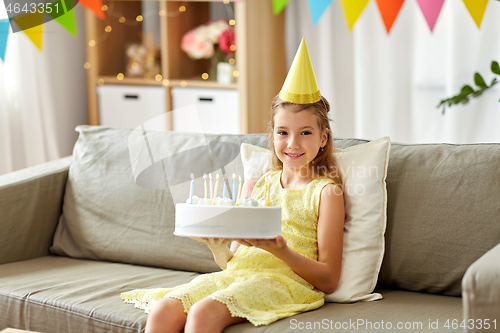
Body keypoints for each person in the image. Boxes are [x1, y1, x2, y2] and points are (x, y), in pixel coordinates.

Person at [121, 38, 345, 333]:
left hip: (284, 282)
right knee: (165, 308)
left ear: (323, 138)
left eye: (305, 132)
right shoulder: (263, 184)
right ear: (273, 135)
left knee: (203, 313)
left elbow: (329, 280)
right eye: (283, 132)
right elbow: (235, 261)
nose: (292, 143)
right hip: (239, 275)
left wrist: (280, 251)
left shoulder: (326, 192)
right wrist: (218, 250)